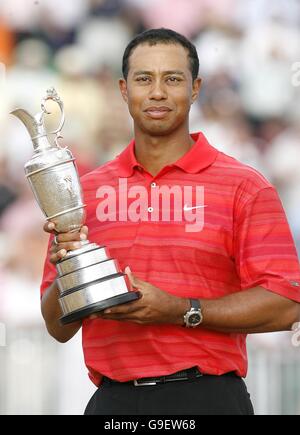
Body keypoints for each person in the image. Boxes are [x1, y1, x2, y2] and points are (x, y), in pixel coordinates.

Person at [40, 28, 300, 415]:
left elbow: (287, 303)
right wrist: (69, 271)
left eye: (172, 79)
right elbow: (57, 327)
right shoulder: (85, 193)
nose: (157, 92)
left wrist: (182, 310)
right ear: (124, 90)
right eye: (144, 79)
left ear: (195, 89)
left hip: (207, 398)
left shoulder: (244, 186)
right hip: (113, 403)